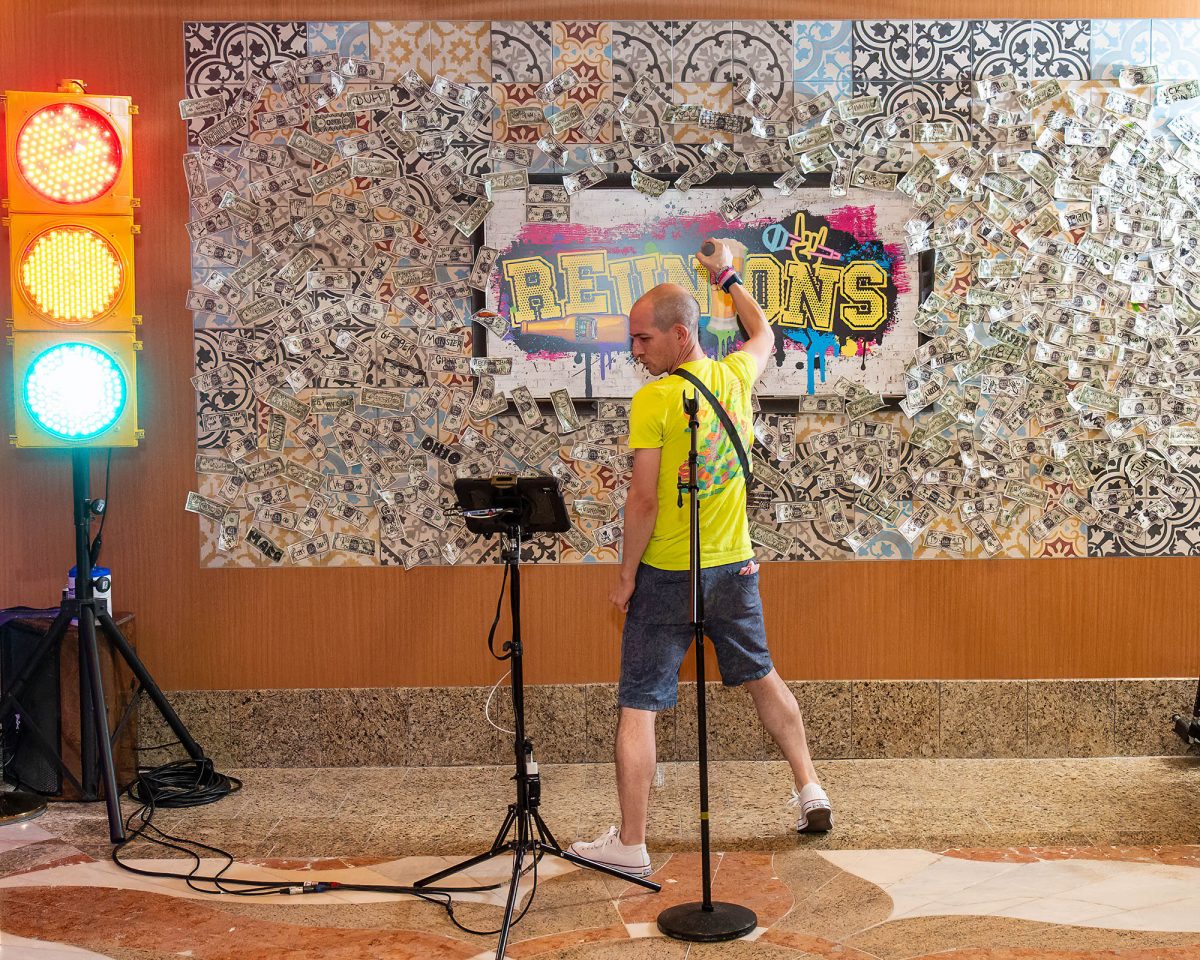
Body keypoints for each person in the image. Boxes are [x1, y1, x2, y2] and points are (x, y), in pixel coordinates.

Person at [568, 238, 833, 879]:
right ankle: (810, 789)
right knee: (762, 675)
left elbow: (642, 500)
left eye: (643, 339)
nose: (636, 351)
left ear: (681, 335)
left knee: (639, 704)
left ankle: (631, 844)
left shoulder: (655, 400)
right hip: (734, 567)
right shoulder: (734, 376)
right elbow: (763, 332)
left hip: (667, 574)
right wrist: (729, 277)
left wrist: (625, 577)